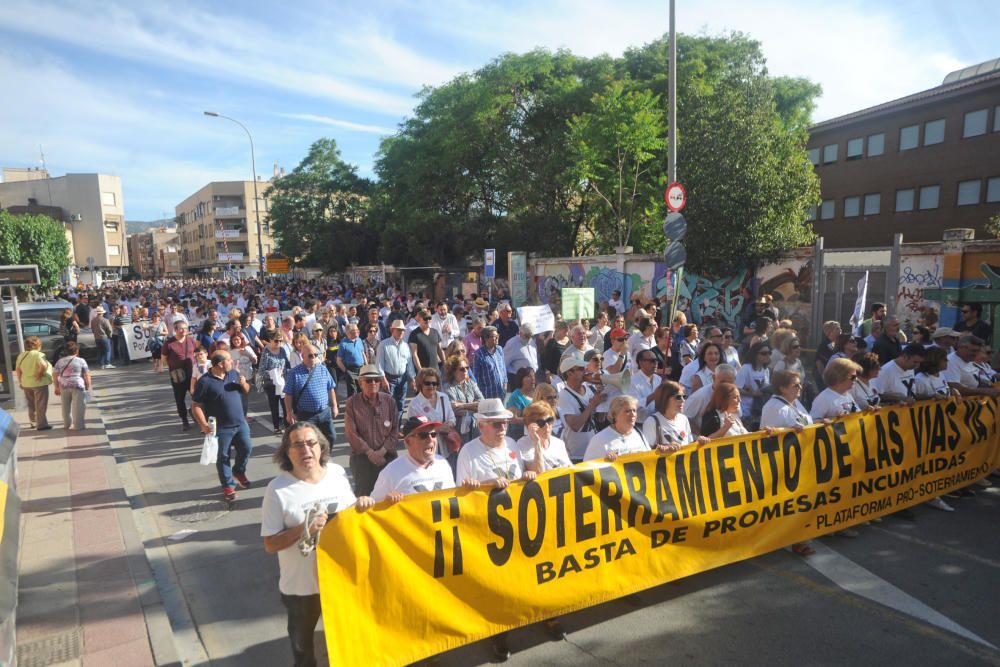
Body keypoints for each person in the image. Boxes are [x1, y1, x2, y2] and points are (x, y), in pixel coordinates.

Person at [261, 423, 367, 667]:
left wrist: (361, 504)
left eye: (311, 443)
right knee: (304, 650)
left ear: (321, 447)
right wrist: (303, 529)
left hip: (341, 579)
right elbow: (270, 544)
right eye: (297, 444)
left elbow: (350, 517)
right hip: (302, 587)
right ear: (287, 452)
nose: (305, 450)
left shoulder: (337, 474)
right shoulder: (277, 490)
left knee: (348, 640)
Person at [759, 370, 817, 556]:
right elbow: (768, 437)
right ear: (782, 388)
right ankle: (793, 540)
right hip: (784, 463)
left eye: (800, 384)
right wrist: (788, 430)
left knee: (801, 503)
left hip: (802, 459)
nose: (800, 388)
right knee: (787, 505)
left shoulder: (795, 402)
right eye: (796, 385)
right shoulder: (773, 407)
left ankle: (800, 538)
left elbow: (806, 421)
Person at [191, 350, 253, 501]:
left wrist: (244, 383)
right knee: (223, 456)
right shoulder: (205, 382)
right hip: (221, 428)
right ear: (220, 364)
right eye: (229, 360)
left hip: (240, 423)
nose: (232, 362)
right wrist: (203, 424)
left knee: (247, 448)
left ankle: (238, 471)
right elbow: (195, 406)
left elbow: (246, 391)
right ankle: (228, 485)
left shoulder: (233, 374)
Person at [370, 415, 458, 502]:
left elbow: (454, 500)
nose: (430, 439)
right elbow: (372, 509)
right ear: (408, 442)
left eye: (433, 434)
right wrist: (385, 503)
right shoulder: (390, 472)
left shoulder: (443, 464)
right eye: (423, 435)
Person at [344, 364, 400, 496]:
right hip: (363, 459)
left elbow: (395, 430)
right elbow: (351, 433)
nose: (373, 383)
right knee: (365, 498)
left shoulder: (389, 401)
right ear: (360, 383)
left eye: (377, 380)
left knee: (391, 496)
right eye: (368, 380)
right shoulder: (352, 403)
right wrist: (370, 453)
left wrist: (381, 452)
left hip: (387, 457)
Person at [284, 344, 339, 446]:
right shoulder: (294, 373)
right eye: (310, 355)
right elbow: (288, 394)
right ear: (302, 356)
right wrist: (289, 412)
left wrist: (335, 405)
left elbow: (330, 388)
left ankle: (323, 458)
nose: (313, 357)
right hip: (307, 415)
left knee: (331, 437)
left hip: (324, 412)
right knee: (311, 442)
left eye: (315, 355)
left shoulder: (323, 369)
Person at [406, 367, 459, 465]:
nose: (431, 386)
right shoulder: (414, 404)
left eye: (434, 383)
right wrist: (438, 429)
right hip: (426, 449)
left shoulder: (444, 397)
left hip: (446, 447)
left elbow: (452, 417)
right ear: (420, 384)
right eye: (428, 383)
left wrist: (449, 425)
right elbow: (415, 429)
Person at [557, 357, 604, 461]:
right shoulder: (563, 395)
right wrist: (592, 405)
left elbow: (600, 419)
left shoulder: (590, 388)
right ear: (569, 373)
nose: (585, 370)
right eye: (581, 369)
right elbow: (575, 425)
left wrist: (602, 402)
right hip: (577, 455)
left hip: (594, 450)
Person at [643, 381, 708, 451]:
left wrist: (698, 442)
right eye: (678, 397)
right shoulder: (651, 421)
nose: (683, 400)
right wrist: (666, 448)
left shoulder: (683, 419)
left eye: (684, 396)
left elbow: (688, 445)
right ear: (665, 399)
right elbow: (646, 452)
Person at [584, 395, 651, 461]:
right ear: (614, 414)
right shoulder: (599, 440)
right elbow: (587, 468)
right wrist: (605, 461)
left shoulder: (639, 434)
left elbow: (649, 458)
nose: (633, 414)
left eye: (634, 410)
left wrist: (659, 453)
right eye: (627, 411)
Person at [517, 401, 571, 473]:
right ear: (529, 426)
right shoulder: (523, 444)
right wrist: (537, 443)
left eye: (549, 421)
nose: (547, 426)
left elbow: (569, 467)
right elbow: (538, 472)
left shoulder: (559, 443)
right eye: (541, 423)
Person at [375, 319, 416, 414]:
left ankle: (397, 427)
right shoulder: (384, 344)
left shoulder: (406, 346)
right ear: (392, 330)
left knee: (400, 405)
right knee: (387, 405)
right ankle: (388, 427)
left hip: (403, 379)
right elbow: (379, 363)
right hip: (389, 379)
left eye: (402, 330)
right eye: (398, 330)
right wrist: (383, 379)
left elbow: (409, 363)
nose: (401, 332)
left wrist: (412, 378)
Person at [164, 320, 198, 431]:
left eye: (185, 328)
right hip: (178, 376)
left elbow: (196, 354)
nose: (184, 330)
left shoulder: (191, 341)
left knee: (196, 396)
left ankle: (195, 414)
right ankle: (184, 420)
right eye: (181, 328)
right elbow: (164, 360)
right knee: (180, 399)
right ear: (175, 330)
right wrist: (174, 367)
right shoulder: (169, 343)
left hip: (192, 374)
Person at [15, 336, 54, 430]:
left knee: (31, 404)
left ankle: (33, 422)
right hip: (39, 384)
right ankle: (42, 425)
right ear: (38, 345)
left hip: (26, 383)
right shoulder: (38, 355)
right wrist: (39, 375)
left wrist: (21, 381)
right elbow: (43, 365)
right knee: (40, 404)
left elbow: (18, 370)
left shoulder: (21, 355)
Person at [52, 341, 91, 430]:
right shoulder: (81, 360)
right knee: (78, 406)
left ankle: (67, 424)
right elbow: (86, 374)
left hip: (64, 385)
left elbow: (55, 374)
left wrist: (56, 387)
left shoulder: (59, 361)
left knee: (65, 406)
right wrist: (88, 385)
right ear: (77, 351)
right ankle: (78, 426)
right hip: (77, 385)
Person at [735, 342, 771, 429]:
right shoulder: (746, 368)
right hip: (746, 410)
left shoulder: (765, 370)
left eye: (769, 353)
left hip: (760, 409)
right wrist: (753, 394)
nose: (767, 356)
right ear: (755, 354)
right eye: (763, 353)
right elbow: (736, 388)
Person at [260, 331, 291, 434]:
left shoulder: (282, 350)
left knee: (285, 404)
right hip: (271, 383)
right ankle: (276, 427)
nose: (278, 343)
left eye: (280, 341)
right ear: (270, 340)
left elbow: (286, 365)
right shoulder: (266, 351)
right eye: (276, 341)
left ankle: (288, 426)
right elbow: (261, 370)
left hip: (282, 382)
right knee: (274, 405)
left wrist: (283, 373)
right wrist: (273, 374)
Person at [472, 325, 506, 400]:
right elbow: (475, 377)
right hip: (487, 395)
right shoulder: (479, 354)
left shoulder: (499, 349)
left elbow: (503, 368)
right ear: (486, 338)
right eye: (494, 336)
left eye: (497, 335)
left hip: (501, 394)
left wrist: (505, 384)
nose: (497, 338)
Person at [629, 349, 662, 421]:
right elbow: (635, 405)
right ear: (641, 363)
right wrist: (654, 395)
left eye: (656, 360)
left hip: (655, 422)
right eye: (652, 361)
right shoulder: (632, 381)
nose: (656, 363)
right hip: (639, 423)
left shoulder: (658, 379)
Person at [409, 309, 445, 374]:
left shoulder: (435, 332)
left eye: (429, 318)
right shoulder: (414, 334)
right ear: (419, 319)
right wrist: (420, 370)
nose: (428, 320)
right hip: (423, 372)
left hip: (436, 370)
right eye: (425, 318)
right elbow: (414, 354)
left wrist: (445, 364)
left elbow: (440, 350)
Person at [503, 322, 538, 388]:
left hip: (533, 377)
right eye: (527, 336)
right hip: (518, 379)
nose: (529, 338)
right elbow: (504, 364)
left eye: (531, 336)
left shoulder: (532, 341)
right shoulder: (512, 344)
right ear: (520, 333)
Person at [336, 323, 366, 397]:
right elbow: (338, 360)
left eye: (357, 330)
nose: (356, 331)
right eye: (354, 330)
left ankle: (361, 407)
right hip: (350, 370)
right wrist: (346, 371)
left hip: (361, 369)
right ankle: (352, 408)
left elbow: (363, 354)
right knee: (352, 392)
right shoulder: (343, 344)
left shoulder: (359, 340)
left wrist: (366, 367)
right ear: (348, 332)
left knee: (362, 390)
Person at [505, 367, 535, 440]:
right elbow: (513, 419)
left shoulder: (536, 393)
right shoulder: (516, 397)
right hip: (519, 439)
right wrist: (534, 419)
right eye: (529, 376)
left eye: (533, 376)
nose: (533, 379)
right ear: (521, 379)